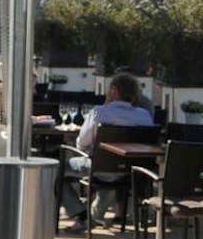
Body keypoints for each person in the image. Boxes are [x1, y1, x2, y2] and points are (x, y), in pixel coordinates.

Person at [63, 73, 156, 229]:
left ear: (113, 90)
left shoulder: (99, 112)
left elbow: (81, 143)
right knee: (110, 168)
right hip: (129, 171)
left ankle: (81, 214)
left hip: (98, 167)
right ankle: (93, 216)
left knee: (56, 169)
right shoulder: (144, 116)